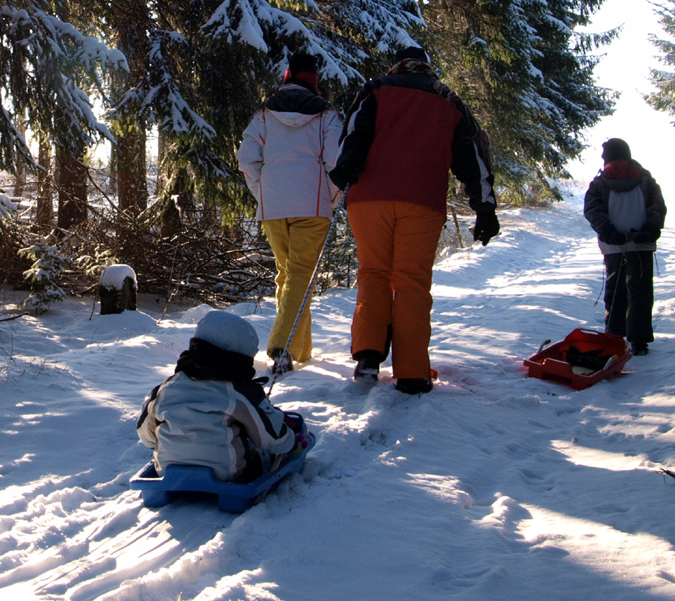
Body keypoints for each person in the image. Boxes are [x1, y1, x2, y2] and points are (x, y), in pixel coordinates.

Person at [327, 46, 499, 393]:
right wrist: (484, 208)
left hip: (370, 198)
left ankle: (368, 357)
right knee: (411, 282)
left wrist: (345, 167)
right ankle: (412, 372)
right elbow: (473, 156)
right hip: (422, 201)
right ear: (427, 67)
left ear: (398, 66)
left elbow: (353, 133)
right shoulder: (448, 101)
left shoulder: (376, 89)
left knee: (373, 272)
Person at [237, 52, 344, 373]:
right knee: (300, 275)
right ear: (313, 81)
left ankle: (300, 349)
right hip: (312, 206)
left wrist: (263, 193)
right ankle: (281, 346)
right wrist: (331, 199)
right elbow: (336, 162)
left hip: (273, 207)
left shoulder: (263, 116)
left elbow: (247, 159)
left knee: (288, 274)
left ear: (287, 78)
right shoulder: (326, 115)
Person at [137, 310, 305, 480]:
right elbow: (272, 438)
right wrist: (292, 442)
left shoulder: (165, 389)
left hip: (167, 470)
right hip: (229, 473)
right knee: (258, 450)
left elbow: (147, 436)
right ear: (242, 358)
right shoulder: (239, 392)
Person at [583, 137, 666, 355]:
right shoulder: (645, 179)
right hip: (642, 244)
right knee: (640, 291)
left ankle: (614, 338)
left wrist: (608, 232)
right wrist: (649, 230)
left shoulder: (599, 183)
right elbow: (658, 206)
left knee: (615, 291)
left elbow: (592, 210)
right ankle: (639, 341)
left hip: (614, 246)